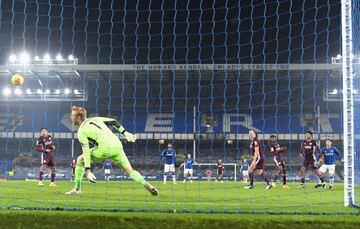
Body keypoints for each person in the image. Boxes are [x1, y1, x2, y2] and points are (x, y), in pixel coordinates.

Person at [65, 106, 158, 196]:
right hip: (117, 145)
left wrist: (88, 171)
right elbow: (114, 121)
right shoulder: (95, 119)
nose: (71, 118)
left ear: (78, 117)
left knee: (80, 159)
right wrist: (125, 133)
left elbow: (86, 152)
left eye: (72, 116)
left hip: (104, 148)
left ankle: (77, 189)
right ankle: (146, 184)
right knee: (130, 170)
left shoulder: (81, 131)